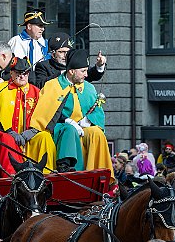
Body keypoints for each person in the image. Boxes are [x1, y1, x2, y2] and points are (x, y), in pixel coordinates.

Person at [29, 49, 114, 178]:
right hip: (58, 128)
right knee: (69, 130)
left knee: (97, 133)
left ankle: (100, 175)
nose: (86, 75)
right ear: (72, 71)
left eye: (86, 70)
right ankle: (65, 166)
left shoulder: (89, 87)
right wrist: (68, 121)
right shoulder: (53, 85)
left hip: (82, 128)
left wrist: (88, 121)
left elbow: (97, 112)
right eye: (83, 71)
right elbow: (46, 113)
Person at [0, 57, 55, 175]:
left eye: (25, 73)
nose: (22, 76)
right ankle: (12, 176)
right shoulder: (0, 89)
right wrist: (10, 132)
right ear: (12, 73)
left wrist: (32, 131)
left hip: (29, 138)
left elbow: (43, 117)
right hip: (6, 135)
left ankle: (46, 174)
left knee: (45, 137)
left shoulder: (36, 91)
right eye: (18, 73)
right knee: (7, 140)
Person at [34, 32, 106, 88]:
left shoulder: (75, 62)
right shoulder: (43, 66)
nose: (65, 55)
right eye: (61, 52)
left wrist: (99, 65)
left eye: (67, 52)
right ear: (53, 54)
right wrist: (63, 73)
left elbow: (91, 75)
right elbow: (40, 85)